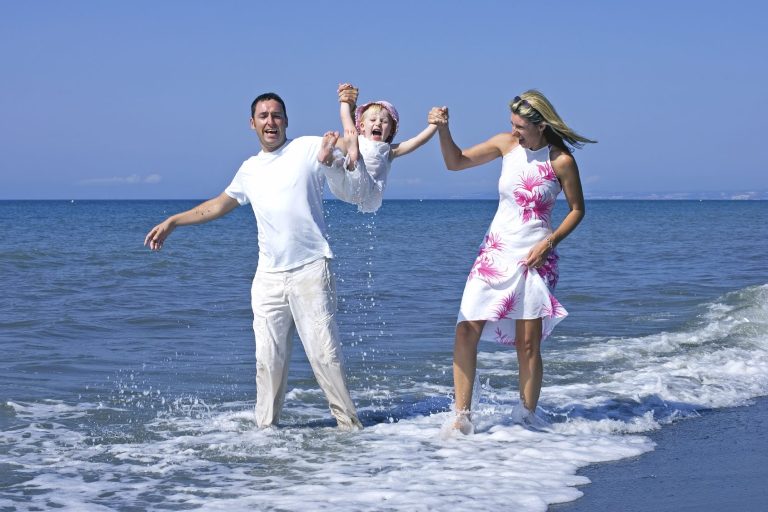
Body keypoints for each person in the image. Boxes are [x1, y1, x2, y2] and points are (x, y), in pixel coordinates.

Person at [144, 92, 370, 431]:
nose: (270, 122)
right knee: (268, 361)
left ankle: (349, 429)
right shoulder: (249, 170)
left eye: (276, 115)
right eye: (263, 116)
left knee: (325, 356)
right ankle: (266, 434)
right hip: (267, 278)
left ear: (286, 121)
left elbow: (349, 171)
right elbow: (218, 205)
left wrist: (348, 115)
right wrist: (174, 221)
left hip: (310, 268)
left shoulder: (308, 148)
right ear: (252, 124)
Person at [429, 90, 595, 434]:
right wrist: (444, 130)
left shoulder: (560, 160)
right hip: (494, 252)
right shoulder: (506, 144)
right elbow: (455, 161)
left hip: (535, 258)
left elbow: (577, 210)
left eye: (520, 126)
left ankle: (526, 420)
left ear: (541, 125)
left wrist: (550, 243)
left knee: (528, 342)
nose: (514, 131)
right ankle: (461, 418)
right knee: (465, 328)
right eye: (512, 124)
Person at [317, 83, 438, 213]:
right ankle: (328, 159)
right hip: (346, 187)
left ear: (391, 131)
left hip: (361, 190)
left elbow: (416, 141)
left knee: (348, 154)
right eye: (373, 120)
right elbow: (347, 119)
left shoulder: (389, 150)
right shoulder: (359, 140)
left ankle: (337, 160)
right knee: (337, 166)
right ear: (362, 126)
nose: (378, 123)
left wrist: (434, 124)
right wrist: (346, 97)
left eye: (384, 121)